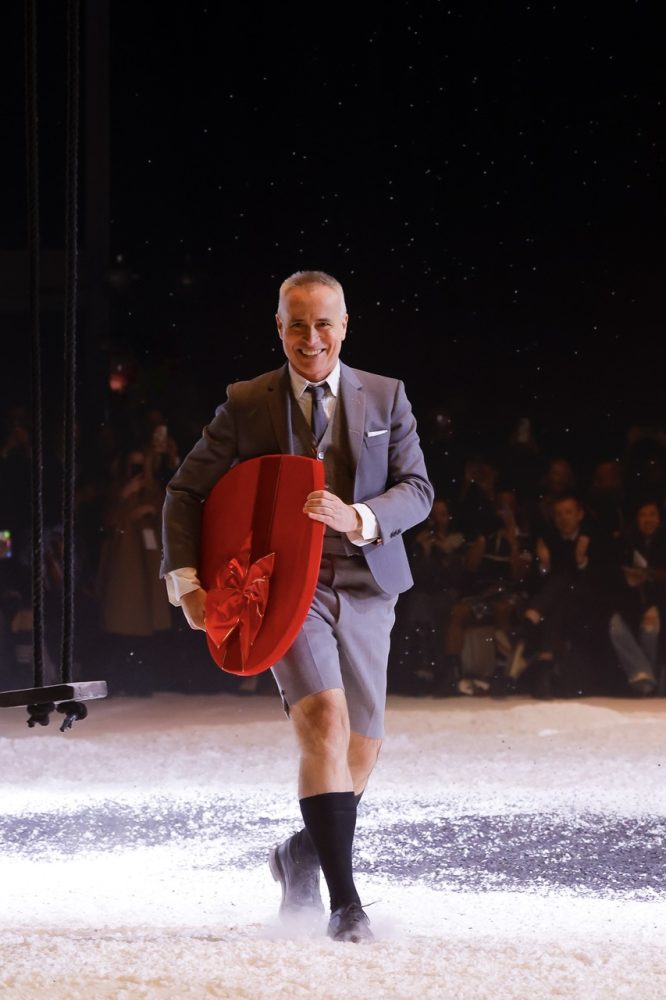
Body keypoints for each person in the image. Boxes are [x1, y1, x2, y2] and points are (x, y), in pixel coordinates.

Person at [160, 270, 433, 943]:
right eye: (298, 325)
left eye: (323, 324)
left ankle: (299, 855)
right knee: (324, 723)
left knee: (362, 748)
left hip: (368, 584)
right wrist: (187, 583)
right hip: (285, 587)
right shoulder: (247, 401)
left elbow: (418, 490)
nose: (312, 338)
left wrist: (358, 516)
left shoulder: (387, 396)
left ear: (344, 326)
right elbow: (185, 492)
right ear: (279, 327)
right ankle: (347, 907)